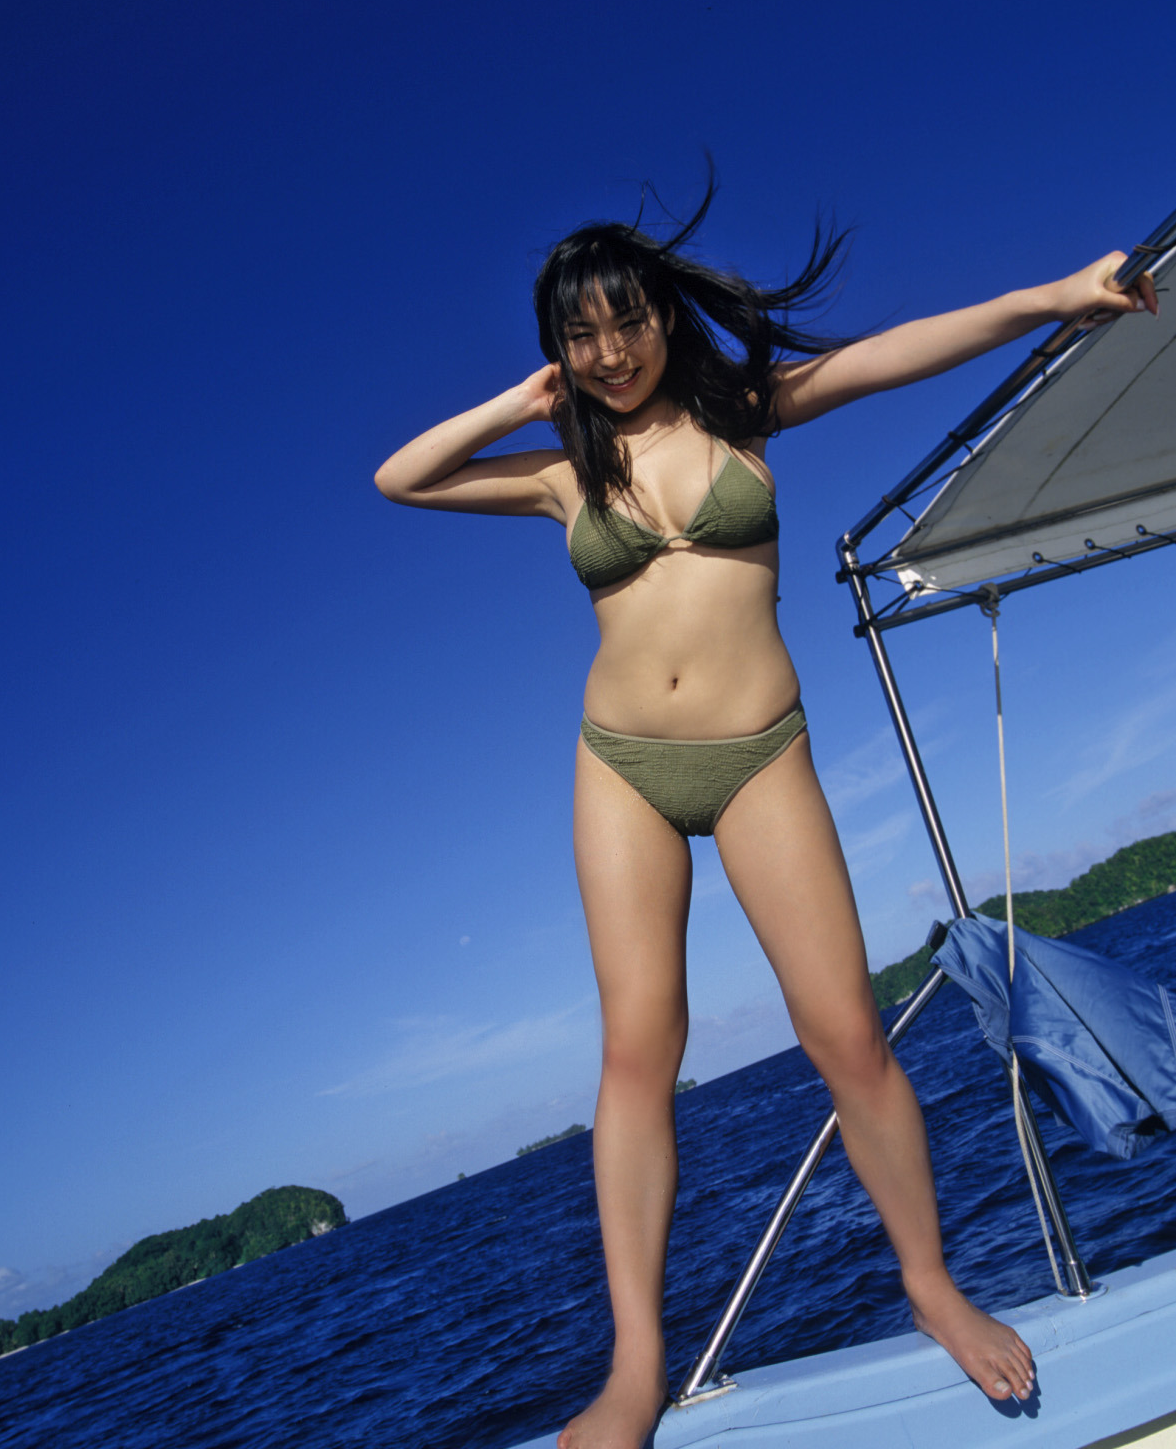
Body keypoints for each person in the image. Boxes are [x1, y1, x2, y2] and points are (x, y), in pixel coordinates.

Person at [374, 185, 1158, 1449]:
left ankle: (929, 1284)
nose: (610, 353)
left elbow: (896, 352)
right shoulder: (563, 474)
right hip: (622, 767)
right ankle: (635, 1371)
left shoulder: (743, 412)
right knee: (639, 1056)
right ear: (557, 350)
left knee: (846, 1031)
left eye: (627, 322)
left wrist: (1054, 298)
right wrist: (518, 404)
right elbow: (401, 478)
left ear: (665, 317)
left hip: (759, 757)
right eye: (581, 336)